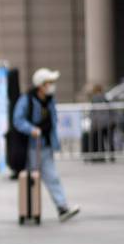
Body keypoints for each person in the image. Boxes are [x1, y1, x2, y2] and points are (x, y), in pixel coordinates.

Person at [13, 68, 82, 222]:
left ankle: (61, 207)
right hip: (31, 146)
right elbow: (17, 120)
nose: (52, 86)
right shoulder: (27, 99)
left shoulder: (50, 100)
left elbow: (52, 122)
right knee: (32, 179)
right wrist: (32, 130)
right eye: (49, 83)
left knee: (51, 177)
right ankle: (29, 209)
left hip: (45, 145)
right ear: (41, 85)